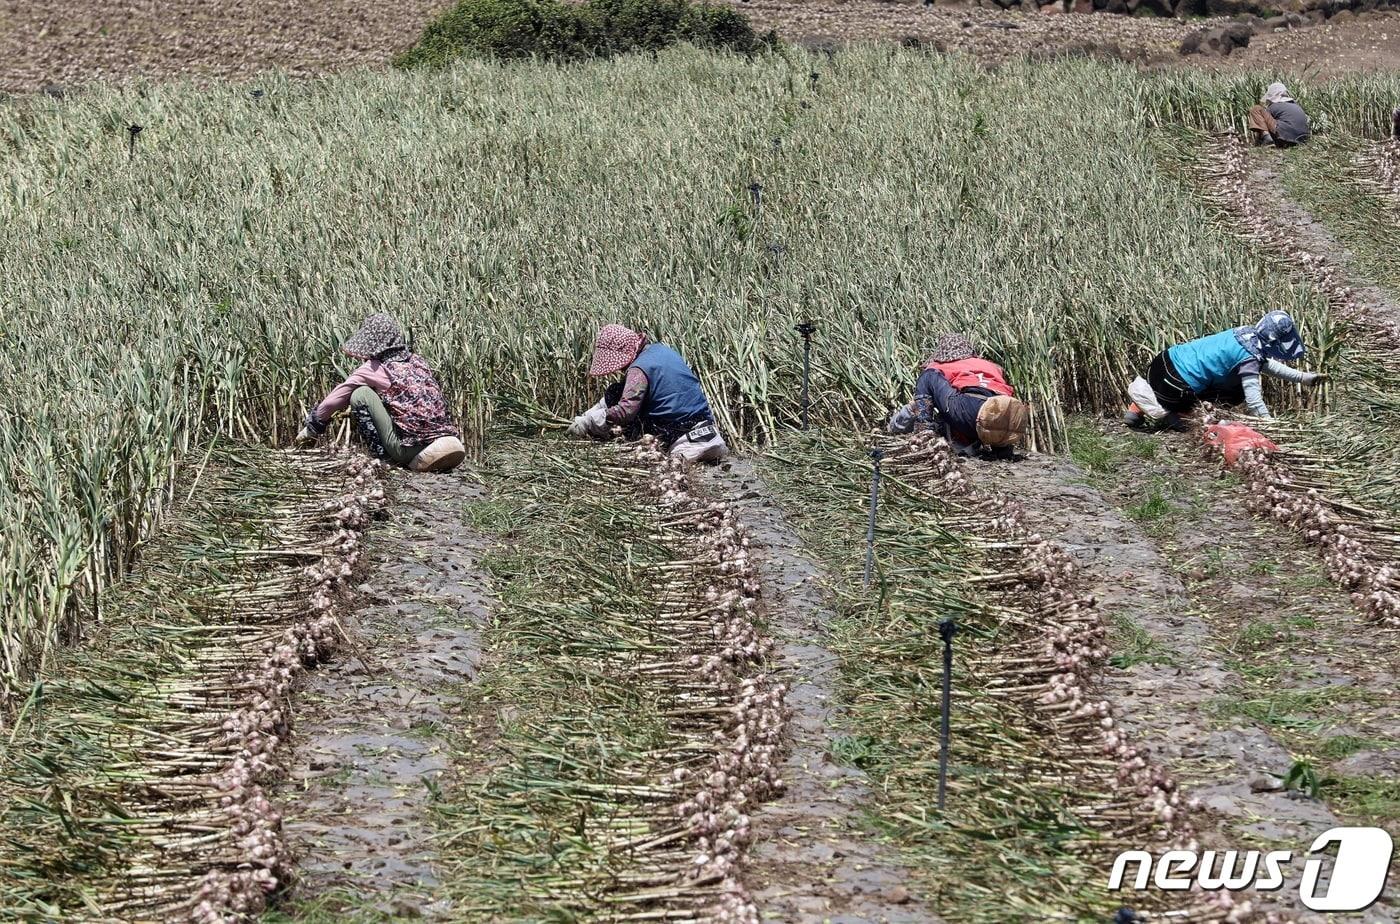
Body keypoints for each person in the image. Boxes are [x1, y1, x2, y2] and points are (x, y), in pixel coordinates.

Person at [295, 313, 466, 472]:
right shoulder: (417, 361)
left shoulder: (374, 369)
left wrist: (312, 428)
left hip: (411, 449)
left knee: (360, 394)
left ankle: (385, 459)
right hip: (448, 439)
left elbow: (333, 402)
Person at [1124, 311, 1325, 430]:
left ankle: (1137, 408)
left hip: (1160, 365)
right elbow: (1254, 399)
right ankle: (1177, 417)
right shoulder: (1250, 357)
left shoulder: (1244, 334)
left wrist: (1304, 378)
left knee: (1214, 375)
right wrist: (1270, 425)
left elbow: (1263, 364)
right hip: (1176, 385)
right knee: (1237, 392)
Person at [567, 324, 728, 464]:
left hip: (683, 438)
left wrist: (591, 422)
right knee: (617, 391)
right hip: (707, 427)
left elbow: (625, 412)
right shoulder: (661, 350)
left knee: (620, 404)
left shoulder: (638, 370)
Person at [886, 333, 1030, 456]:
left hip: (971, 409)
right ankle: (1002, 449)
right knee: (993, 409)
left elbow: (935, 388)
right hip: (1010, 413)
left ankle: (924, 431)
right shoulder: (992, 366)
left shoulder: (942, 364)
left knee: (928, 376)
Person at [1248, 83, 1311, 148]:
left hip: (1286, 134)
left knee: (1256, 109)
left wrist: (1256, 143)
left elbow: (1262, 123)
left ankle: (1266, 138)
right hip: (1302, 139)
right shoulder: (1296, 105)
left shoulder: (1274, 106)